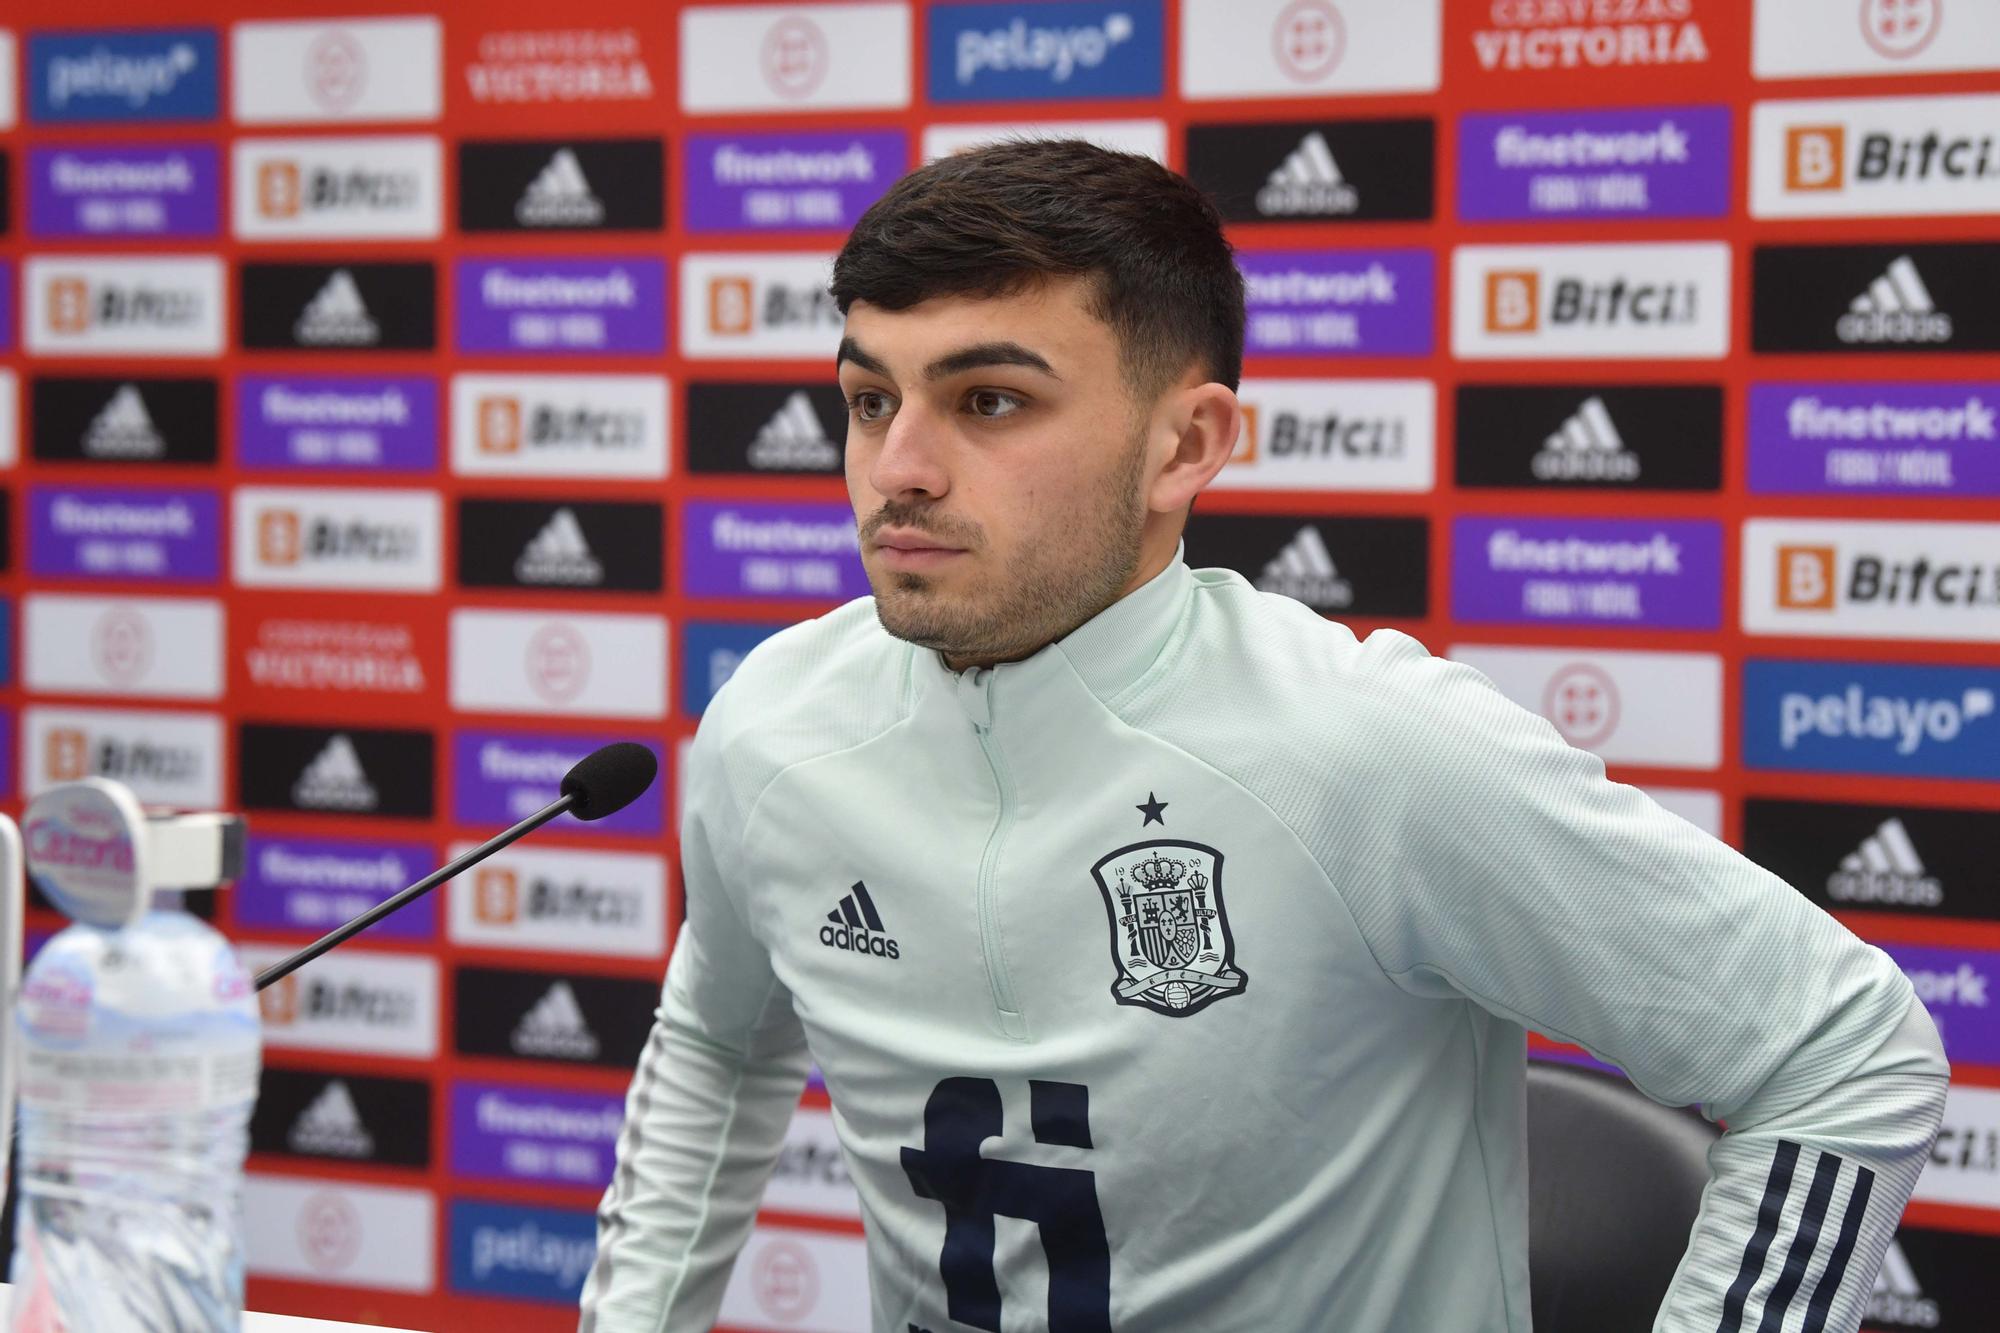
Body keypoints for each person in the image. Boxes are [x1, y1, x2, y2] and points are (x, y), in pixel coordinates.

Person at [579, 139, 1948, 1333]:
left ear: (1188, 447)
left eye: (989, 400)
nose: (899, 469)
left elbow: (1844, 1048)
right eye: (872, 398)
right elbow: (715, 1037)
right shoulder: (774, 723)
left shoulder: (1365, 748)